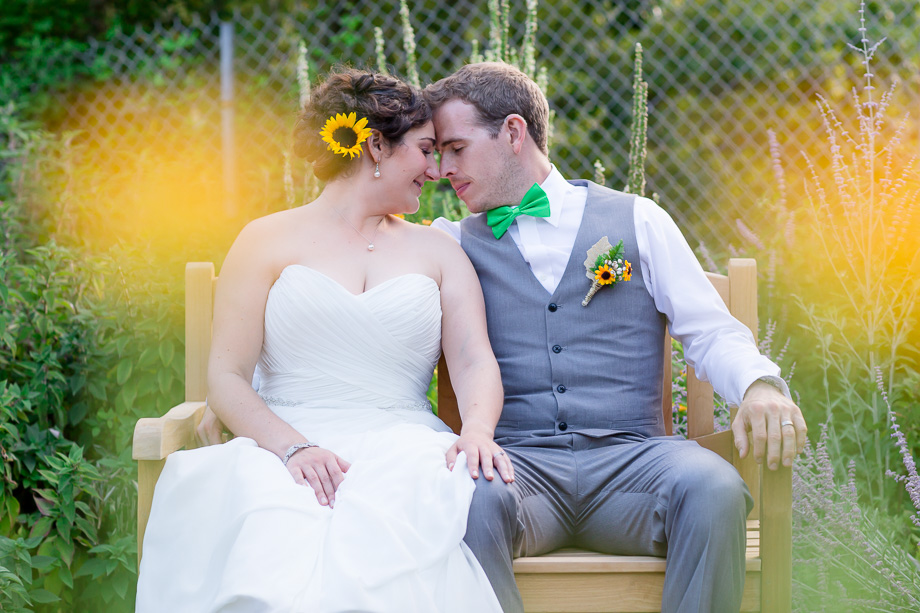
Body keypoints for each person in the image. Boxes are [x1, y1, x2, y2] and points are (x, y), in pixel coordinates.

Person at [423, 62, 808, 613]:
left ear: (513, 132)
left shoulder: (640, 219)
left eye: (455, 148)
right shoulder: (449, 243)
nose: (443, 169)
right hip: (519, 470)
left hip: (639, 462)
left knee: (714, 489)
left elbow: (710, 330)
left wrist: (760, 384)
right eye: (437, 152)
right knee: (468, 500)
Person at [136, 69, 510, 612]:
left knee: (400, 523)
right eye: (425, 150)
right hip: (283, 441)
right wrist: (292, 447)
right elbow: (226, 376)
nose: (434, 171)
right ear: (375, 146)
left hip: (402, 444)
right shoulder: (264, 239)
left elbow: (475, 359)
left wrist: (476, 429)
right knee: (273, 528)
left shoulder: (439, 252)